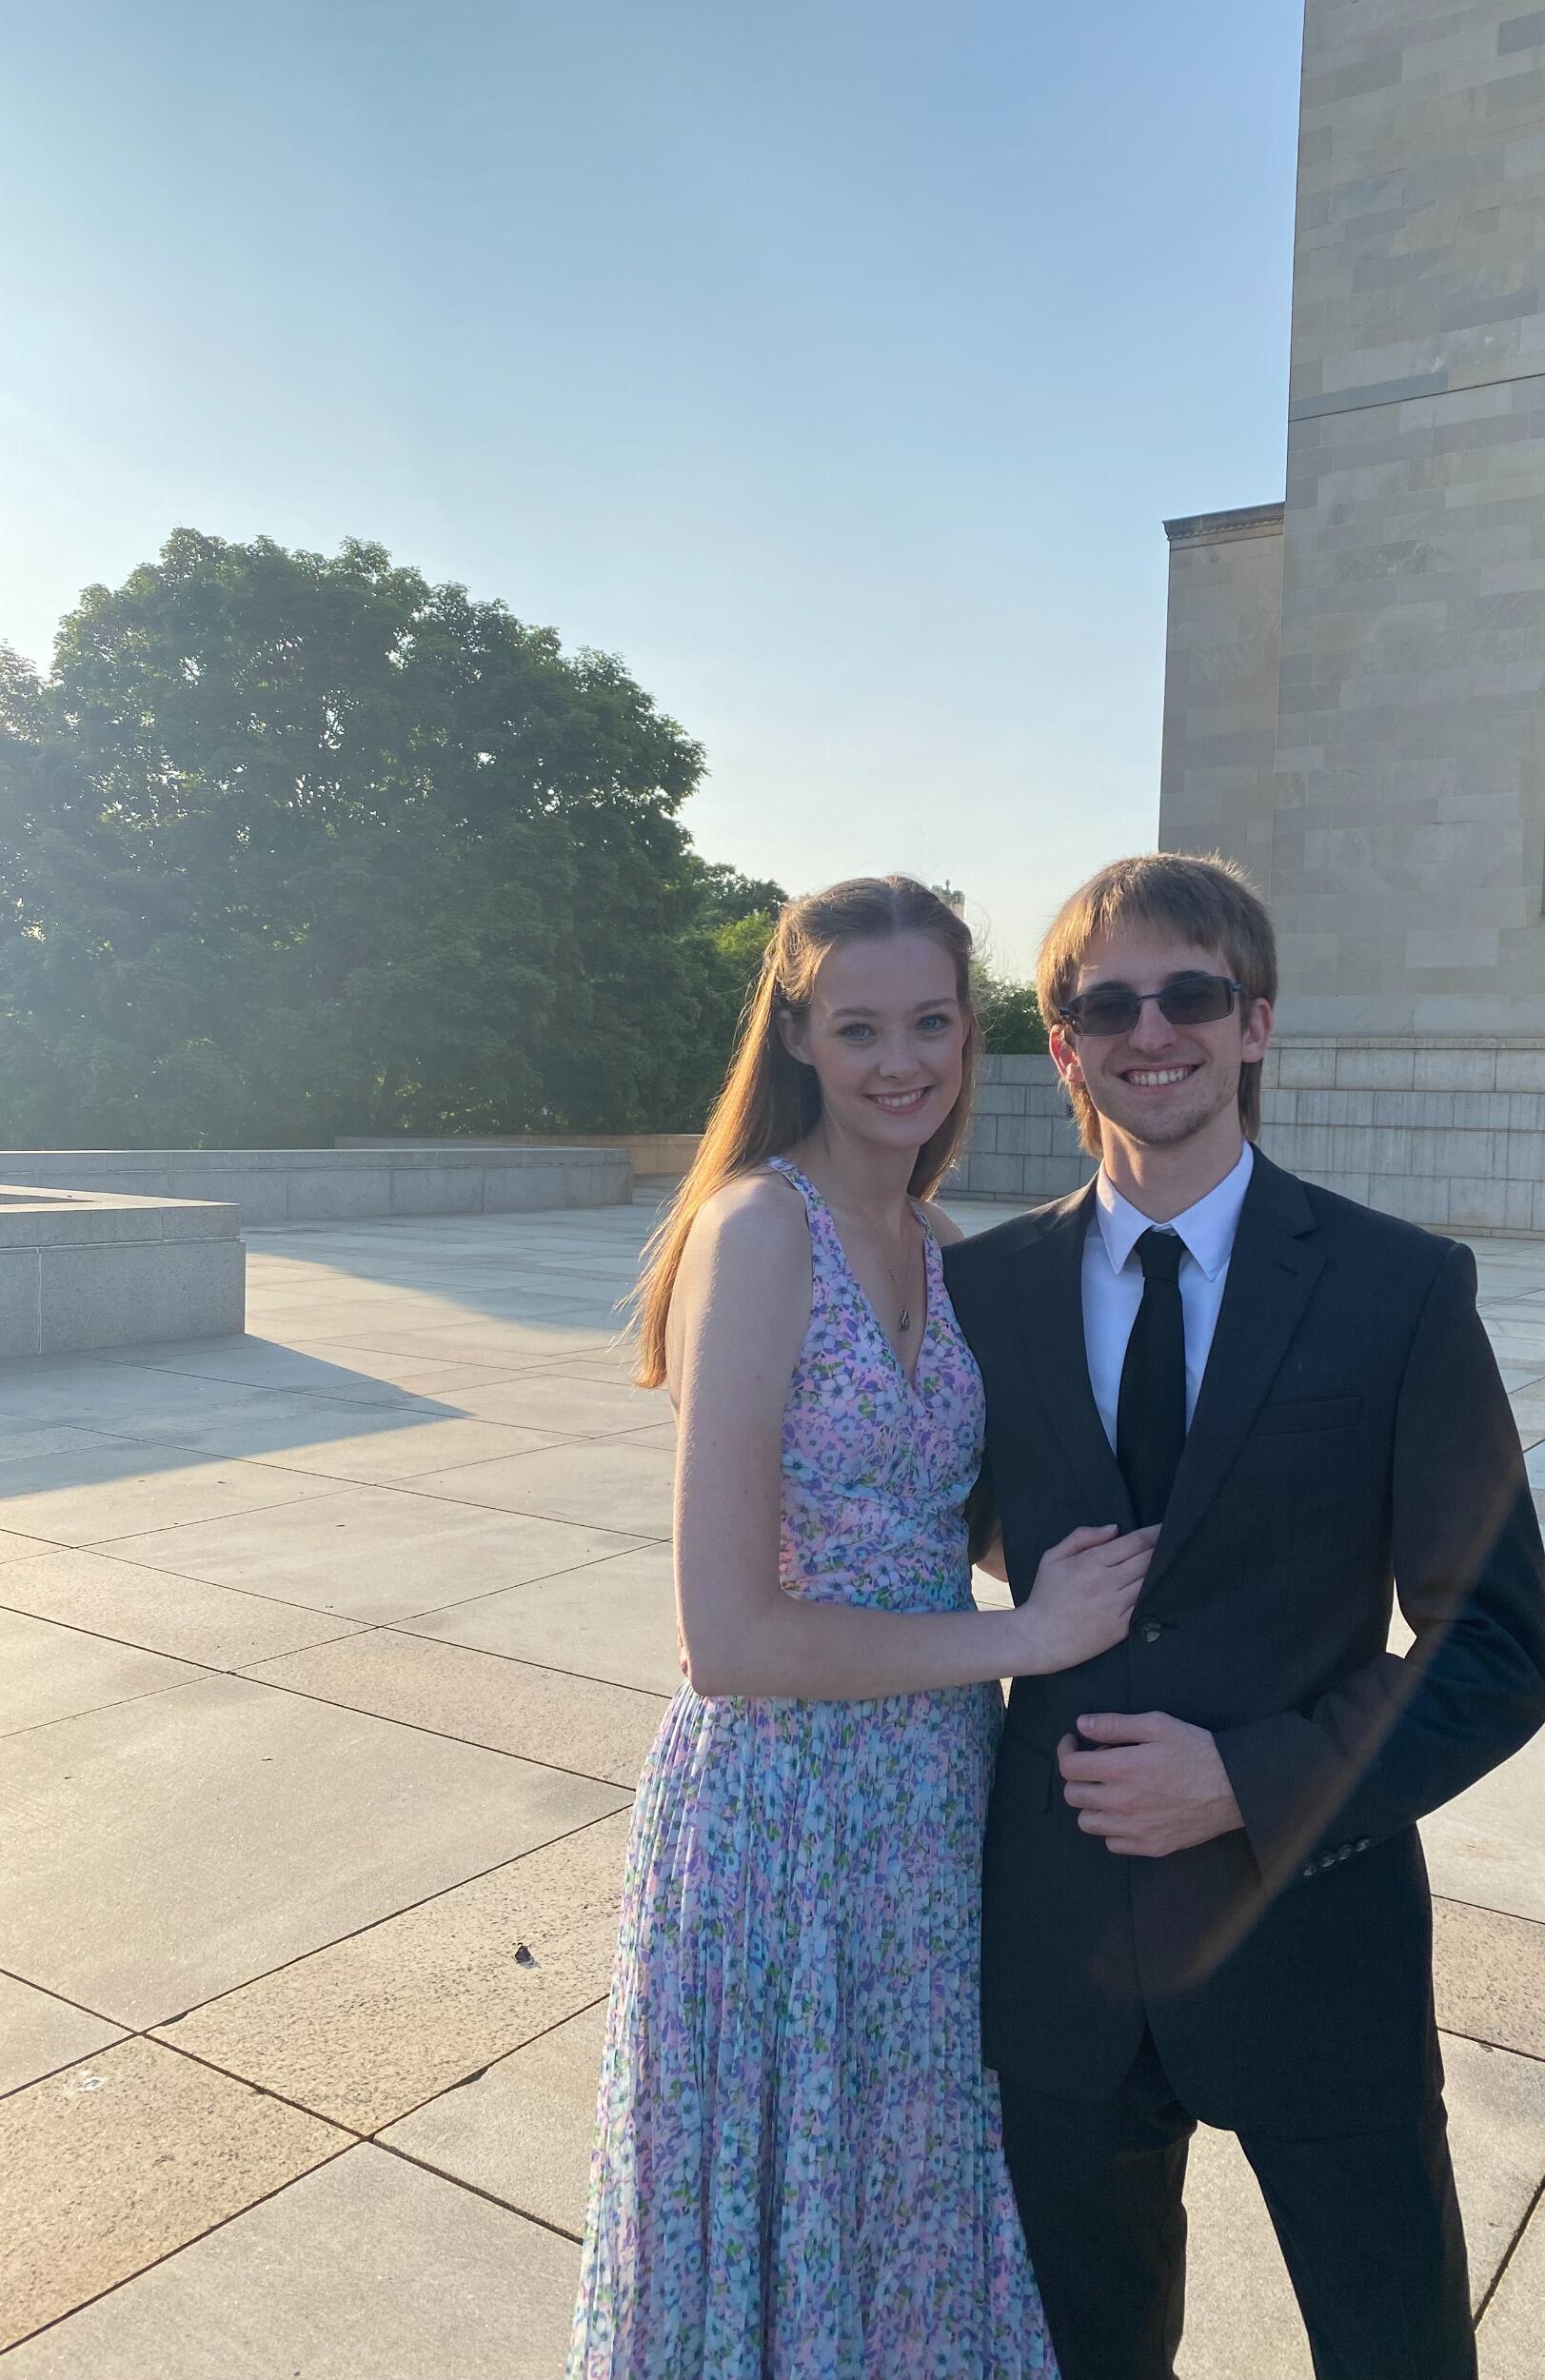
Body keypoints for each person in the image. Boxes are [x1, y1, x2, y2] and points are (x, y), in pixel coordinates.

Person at [942, 852, 1545, 2380]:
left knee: (1394, 2347)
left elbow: (1496, 1650)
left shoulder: (1398, 1288)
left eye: (1192, 995)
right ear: (1065, 1046)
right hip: (1059, 1948)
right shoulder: (985, 1294)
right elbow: (913, 1542)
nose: (1152, 1031)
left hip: (1314, 1938)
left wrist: (1243, 1778)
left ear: (1257, 1023)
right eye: (1108, 1006)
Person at [566, 874, 1157, 2380]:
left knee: (906, 2214)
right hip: (781, 1814)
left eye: (933, 1024)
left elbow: (961, 1521)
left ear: (973, 1032)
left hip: (932, 1813)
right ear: (799, 1037)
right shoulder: (762, 1230)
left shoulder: (945, 1242)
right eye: (860, 1028)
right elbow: (728, 1640)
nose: (903, 1061)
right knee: (789, 2212)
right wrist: (1027, 1639)